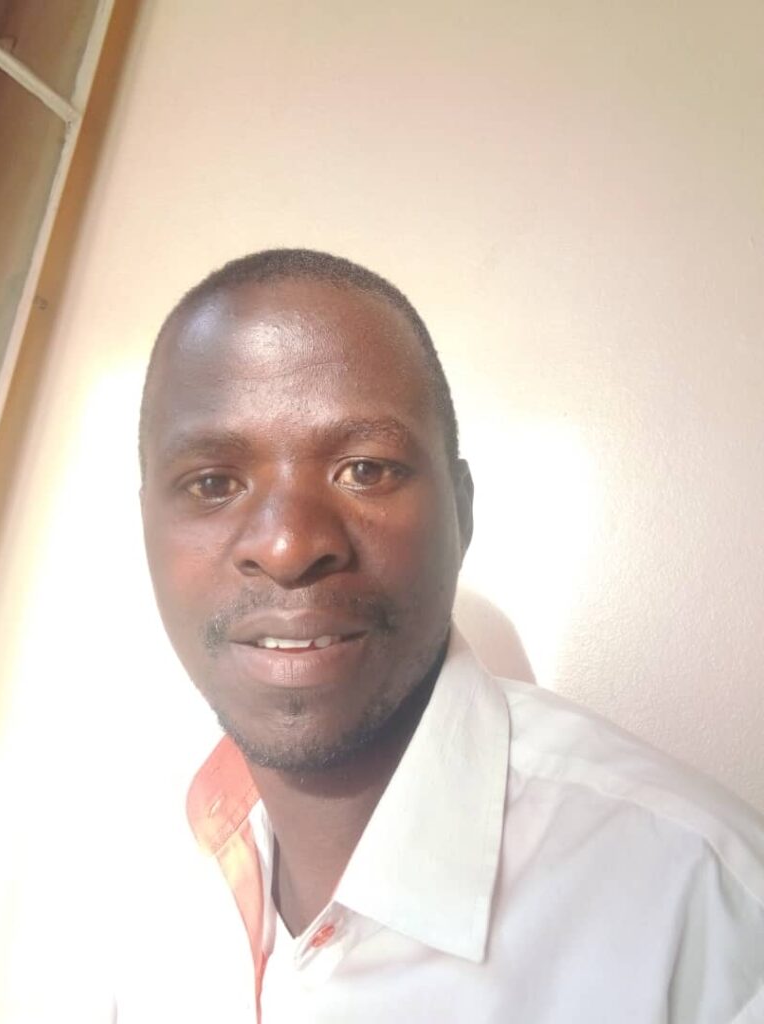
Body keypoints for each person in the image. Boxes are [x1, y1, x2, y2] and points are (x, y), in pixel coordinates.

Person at [133, 249, 763, 1022]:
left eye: (365, 469)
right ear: (146, 525)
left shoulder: (712, 912)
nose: (290, 545)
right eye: (213, 484)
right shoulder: (142, 894)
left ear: (462, 514)